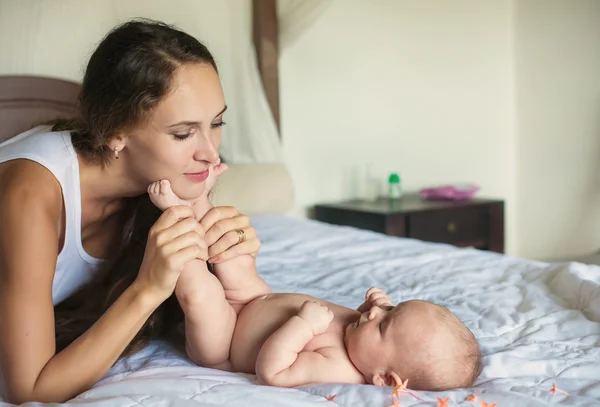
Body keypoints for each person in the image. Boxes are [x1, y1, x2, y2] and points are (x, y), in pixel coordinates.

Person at [0, 18, 265, 404]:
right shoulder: (31, 195)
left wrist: (236, 265)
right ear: (114, 133)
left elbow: (224, 333)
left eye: (217, 123)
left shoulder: (159, 186)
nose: (211, 152)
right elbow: (30, 391)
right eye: (183, 133)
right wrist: (147, 288)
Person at [147, 179, 482, 391]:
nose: (376, 312)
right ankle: (198, 197)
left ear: (384, 379)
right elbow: (373, 322)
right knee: (236, 257)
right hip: (254, 297)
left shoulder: (339, 368)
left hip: (225, 343)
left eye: (383, 325)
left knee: (200, 292)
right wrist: (374, 308)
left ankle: (177, 217)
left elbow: (273, 372)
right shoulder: (361, 336)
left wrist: (302, 325)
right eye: (390, 309)